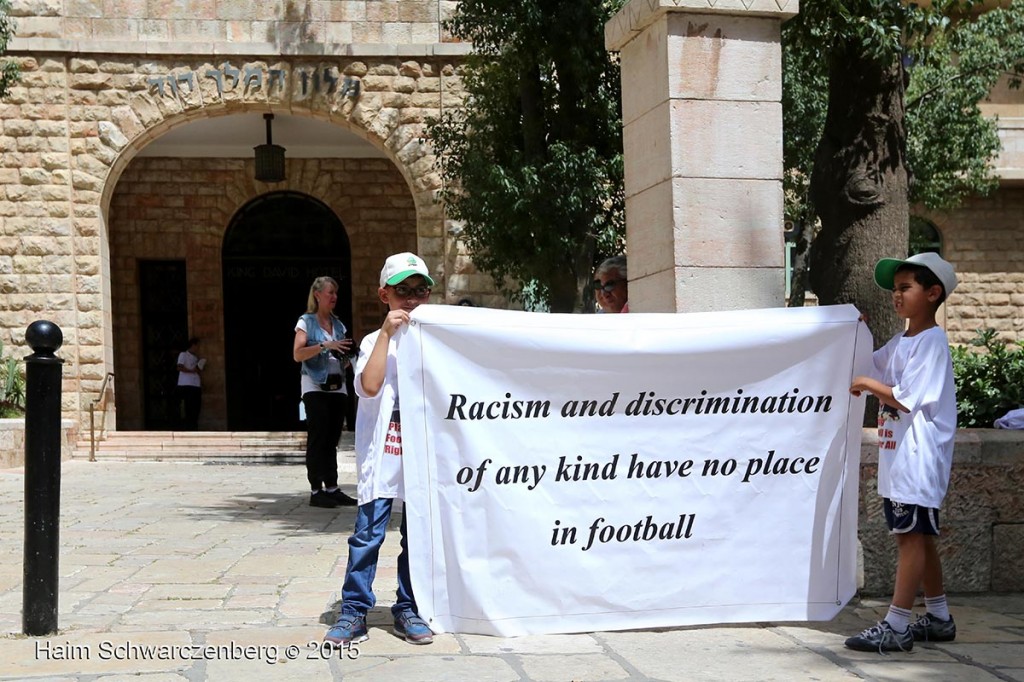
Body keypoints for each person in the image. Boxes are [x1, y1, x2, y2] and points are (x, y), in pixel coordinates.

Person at [845, 252, 959, 653]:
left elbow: (905, 398)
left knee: (911, 538)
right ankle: (940, 618)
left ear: (932, 293)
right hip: (901, 457)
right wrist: (851, 335)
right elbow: (871, 366)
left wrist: (865, 383)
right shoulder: (903, 342)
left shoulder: (931, 342)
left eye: (905, 288)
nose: (897, 295)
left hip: (918, 459)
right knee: (919, 537)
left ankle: (897, 624)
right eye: (895, 289)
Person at [324, 252, 436, 647]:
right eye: (401, 290)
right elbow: (369, 388)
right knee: (368, 534)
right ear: (383, 295)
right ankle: (354, 610)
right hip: (384, 453)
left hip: (424, 456)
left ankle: (409, 606)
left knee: (419, 535)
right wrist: (387, 335)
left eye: (420, 291)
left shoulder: (438, 340)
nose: (411, 299)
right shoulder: (375, 341)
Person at [293, 276, 357, 509]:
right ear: (317, 294)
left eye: (336, 294)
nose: (334, 297)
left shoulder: (338, 326)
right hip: (314, 385)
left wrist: (347, 355)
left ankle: (332, 487)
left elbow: (346, 358)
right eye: (330, 293)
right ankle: (316, 489)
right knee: (318, 436)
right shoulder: (306, 322)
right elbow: (297, 354)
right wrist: (324, 346)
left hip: (337, 385)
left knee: (332, 438)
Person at [176, 337, 203, 430]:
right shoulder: (183, 355)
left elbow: (197, 370)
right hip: (185, 385)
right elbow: (179, 367)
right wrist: (191, 371)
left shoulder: (196, 358)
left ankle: (194, 426)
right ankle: (186, 427)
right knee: (187, 407)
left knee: (196, 407)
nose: (198, 348)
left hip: (195, 385)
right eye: (197, 345)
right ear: (193, 345)